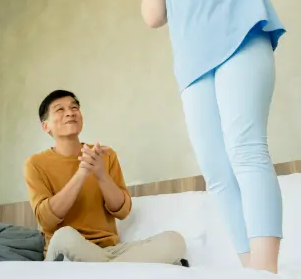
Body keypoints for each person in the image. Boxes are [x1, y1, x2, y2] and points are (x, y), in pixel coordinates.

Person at [142, 0, 286, 273]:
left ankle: (266, 271)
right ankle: (249, 268)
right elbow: (152, 17)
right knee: (217, 171)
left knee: (246, 151)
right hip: (194, 71)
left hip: (242, 47)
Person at [24, 90, 185, 263]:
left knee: (174, 241)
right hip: (69, 249)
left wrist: (101, 174)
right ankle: (121, 268)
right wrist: (82, 173)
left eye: (74, 107)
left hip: (109, 250)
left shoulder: (104, 156)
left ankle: (108, 268)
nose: (70, 112)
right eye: (60, 110)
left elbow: (123, 211)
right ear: (45, 126)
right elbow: (47, 221)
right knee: (65, 236)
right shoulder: (35, 163)